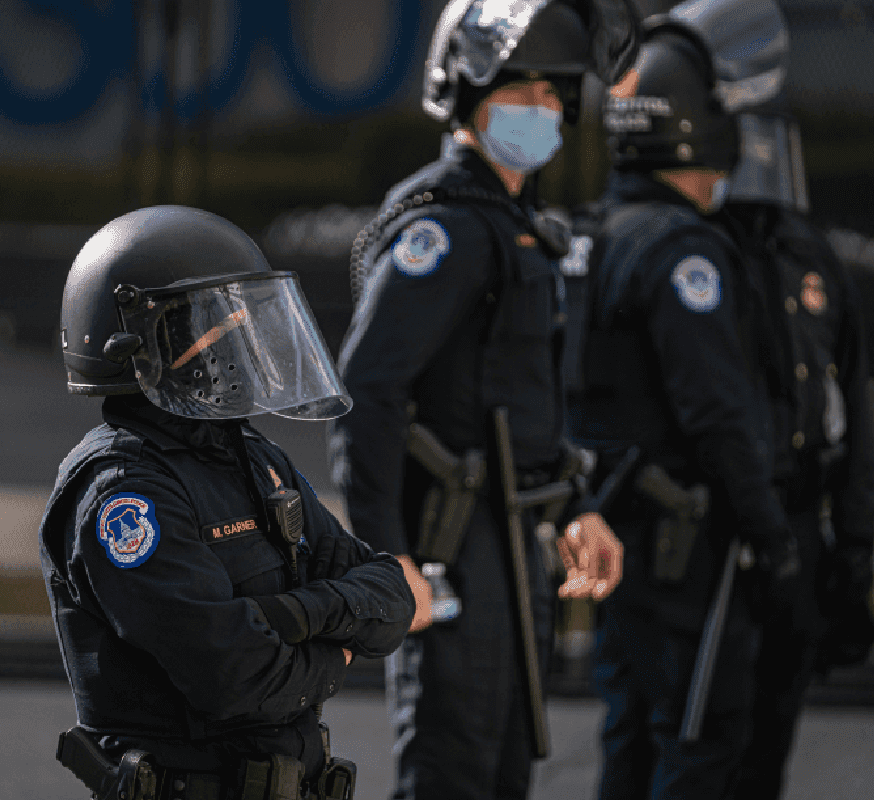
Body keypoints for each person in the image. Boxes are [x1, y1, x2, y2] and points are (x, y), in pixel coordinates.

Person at [329, 2, 641, 798]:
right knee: (452, 772)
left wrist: (577, 507)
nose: (539, 111)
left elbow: (520, 400)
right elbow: (369, 389)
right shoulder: (448, 229)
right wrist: (387, 556)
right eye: (517, 90)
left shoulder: (518, 228)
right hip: (454, 544)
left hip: (517, 543)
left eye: (552, 94)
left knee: (500, 772)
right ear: (467, 95)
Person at [39, 205, 416, 800]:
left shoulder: (252, 458)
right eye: (212, 324)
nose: (238, 339)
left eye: (244, 318)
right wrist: (338, 656)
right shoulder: (123, 493)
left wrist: (294, 617)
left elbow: (392, 595)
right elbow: (233, 678)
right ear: (138, 343)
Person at [563, 1, 804, 796]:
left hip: (617, 532)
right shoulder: (684, 251)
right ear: (698, 126)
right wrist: (773, 535)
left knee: (629, 737)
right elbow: (718, 413)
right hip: (684, 550)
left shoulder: (597, 232)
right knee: (700, 738)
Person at [716, 105, 874, 799]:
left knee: (776, 714)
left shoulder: (812, 256)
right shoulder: (696, 250)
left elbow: (854, 402)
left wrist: (857, 542)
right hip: (721, 525)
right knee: (706, 727)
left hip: (803, 513)